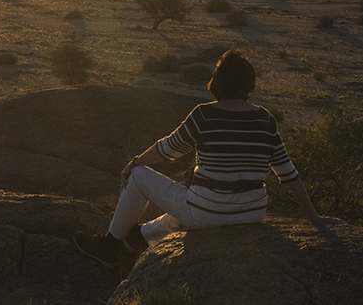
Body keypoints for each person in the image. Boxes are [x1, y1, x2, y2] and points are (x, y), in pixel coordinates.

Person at [73, 50, 342, 268]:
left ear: (218, 81)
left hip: (206, 212)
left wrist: (134, 162)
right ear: (249, 85)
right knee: (188, 205)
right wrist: (315, 219)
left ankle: (108, 247)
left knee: (142, 177)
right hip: (251, 213)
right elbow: (289, 175)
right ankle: (139, 237)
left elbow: (168, 150)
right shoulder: (265, 119)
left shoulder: (204, 115)